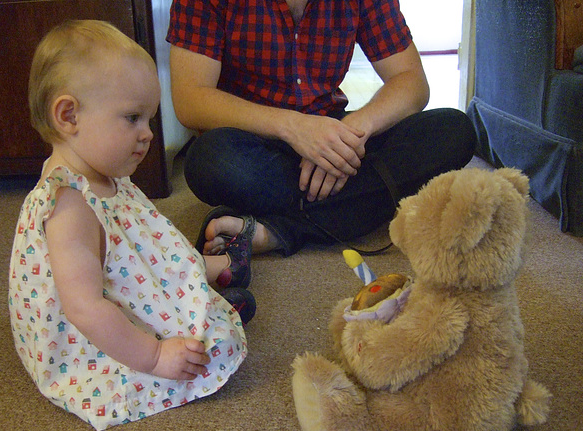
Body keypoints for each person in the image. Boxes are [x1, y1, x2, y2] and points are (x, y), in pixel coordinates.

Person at [8, 20, 253, 431]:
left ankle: (211, 275)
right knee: (210, 349)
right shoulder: (69, 205)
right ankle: (210, 297)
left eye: (150, 120)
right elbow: (85, 308)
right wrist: (155, 357)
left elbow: (142, 247)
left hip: (122, 287)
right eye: (133, 118)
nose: (148, 135)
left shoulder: (103, 173)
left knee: (197, 307)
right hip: (97, 340)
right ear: (69, 115)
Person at [166, 0, 477, 257]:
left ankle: (280, 231)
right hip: (253, 141)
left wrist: (352, 134)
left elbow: (411, 81)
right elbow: (190, 99)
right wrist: (294, 128)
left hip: (333, 128)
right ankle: (351, 206)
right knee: (210, 161)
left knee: (455, 130)